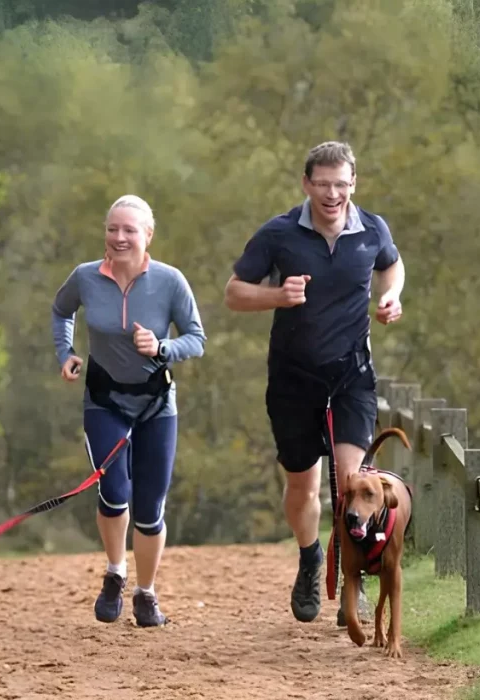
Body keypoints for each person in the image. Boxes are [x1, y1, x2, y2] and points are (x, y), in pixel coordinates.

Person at [223, 141, 405, 626]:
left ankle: (355, 581)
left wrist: (391, 296)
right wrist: (278, 295)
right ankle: (309, 559)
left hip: (351, 375)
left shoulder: (371, 229)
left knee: (354, 487)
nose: (331, 194)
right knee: (303, 488)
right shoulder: (280, 233)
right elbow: (234, 294)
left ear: (353, 185)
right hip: (293, 377)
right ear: (306, 184)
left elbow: (392, 264)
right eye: (322, 184)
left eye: (340, 184)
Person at [51, 194, 206, 627]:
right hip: (104, 401)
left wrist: (162, 348)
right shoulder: (85, 277)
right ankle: (116, 573)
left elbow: (196, 337)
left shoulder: (170, 281)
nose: (119, 238)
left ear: (147, 235)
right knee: (114, 492)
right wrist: (66, 352)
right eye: (112, 229)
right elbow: (61, 311)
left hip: (156, 403)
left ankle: (146, 593)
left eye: (129, 230)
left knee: (150, 507)